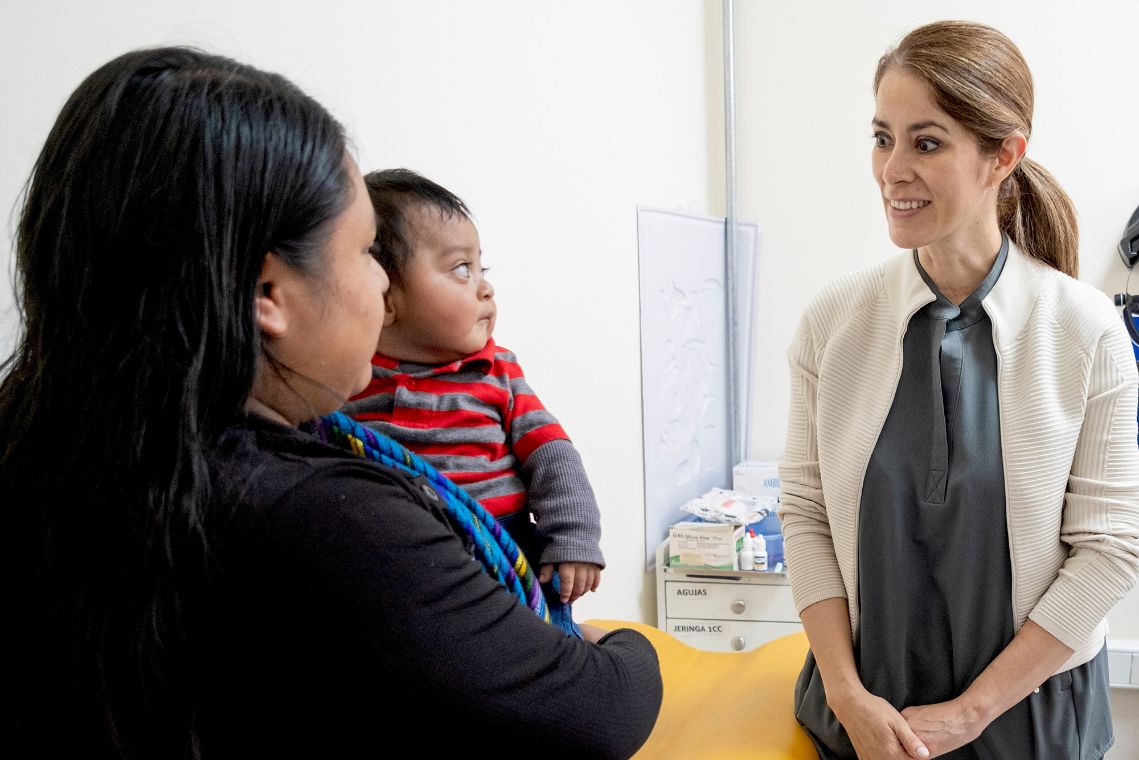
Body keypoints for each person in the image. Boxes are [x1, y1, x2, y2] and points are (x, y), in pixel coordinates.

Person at [0, 47, 662, 758]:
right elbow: (595, 713)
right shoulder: (321, 517)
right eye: (367, 251)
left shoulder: (41, 445)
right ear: (267, 295)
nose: (383, 287)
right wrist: (627, 642)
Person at [777, 20, 1139, 760]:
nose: (891, 169)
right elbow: (804, 512)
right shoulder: (832, 323)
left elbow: (1109, 550)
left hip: (1028, 722)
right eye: (882, 138)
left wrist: (972, 712)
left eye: (926, 142)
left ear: (1001, 156)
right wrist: (846, 697)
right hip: (860, 717)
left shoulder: (1085, 330)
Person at [343, 168, 604, 635]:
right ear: (384, 295)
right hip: (414, 565)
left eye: (482, 269)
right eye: (462, 269)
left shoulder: (497, 372)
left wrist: (575, 539)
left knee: (547, 644)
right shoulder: (351, 380)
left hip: (510, 554)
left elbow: (553, 455)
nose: (485, 288)